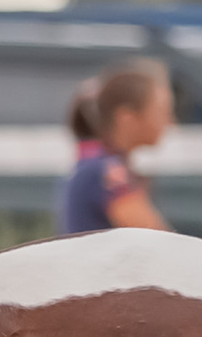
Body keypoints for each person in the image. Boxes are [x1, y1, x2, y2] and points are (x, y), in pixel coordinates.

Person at [59, 62, 173, 233]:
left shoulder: (96, 163)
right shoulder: (107, 171)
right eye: (160, 112)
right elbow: (157, 237)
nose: (169, 122)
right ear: (126, 117)